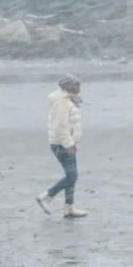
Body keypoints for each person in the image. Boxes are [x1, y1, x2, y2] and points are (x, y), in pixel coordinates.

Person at [36, 74, 88, 218]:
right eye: (77, 86)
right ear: (70, 87)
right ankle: (47, 196)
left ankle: (69, 207)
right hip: (61, 145)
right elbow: (60, 125)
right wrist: (68, 144)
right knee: (72, 176)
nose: (79, 89)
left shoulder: (68, 100)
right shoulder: (63, 102)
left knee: (71, 175)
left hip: (65, 143)